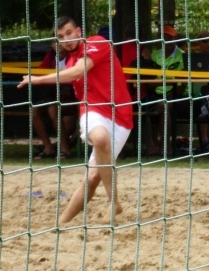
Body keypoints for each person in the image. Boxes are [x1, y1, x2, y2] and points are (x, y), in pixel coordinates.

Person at [18, 16, 133, 225]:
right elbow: (74, 71)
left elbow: (79, 71)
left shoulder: (98, 42)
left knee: (93, 177)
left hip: (121, 115)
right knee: (99, 138)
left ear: (79, 31)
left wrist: (37, 79)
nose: (66, 39)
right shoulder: (71, 60)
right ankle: (113, 201)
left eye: (69, 33)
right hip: (93, 110)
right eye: (60, 37)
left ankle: (62, 222)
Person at [31, 42, 77, 159]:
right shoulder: (50, 56)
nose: (59, 44)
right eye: (55, 42)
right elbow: (39, 73)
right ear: (51, 44)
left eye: (61, 41)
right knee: (34, 110)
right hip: (56, 98)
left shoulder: (73, 56)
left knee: (53, 109)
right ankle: (48, 148)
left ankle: (65, 149)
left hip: (75, 99)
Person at [147, 24, 187, 156]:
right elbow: (149, 80)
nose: (166, 40)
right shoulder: (154, 55)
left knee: (163, 107)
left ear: (175, 39)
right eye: (163, 37)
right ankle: (153, 145)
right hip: (156, 94)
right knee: (143, 106)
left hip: (178, 96)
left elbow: (183, 84)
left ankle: (166, 146)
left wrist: (170, 96)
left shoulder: (183, 56)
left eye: (169, 38)